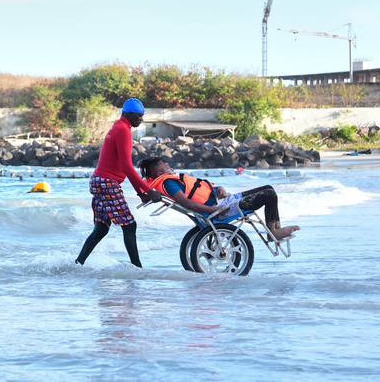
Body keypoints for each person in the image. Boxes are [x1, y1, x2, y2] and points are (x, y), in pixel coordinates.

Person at [75, 99, 161, 268]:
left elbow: (125, 168)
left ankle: (78, 264)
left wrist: (140, 192)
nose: (141, 120)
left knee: (101, 229)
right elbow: (127, 167)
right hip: (107, 183)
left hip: (99, 181)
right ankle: (137, 268)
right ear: (128, 114)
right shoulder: (123, 130)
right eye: (139, 116)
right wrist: (148, 190)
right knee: (129, 225)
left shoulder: (118, 126)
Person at [138, 157, 300, 240]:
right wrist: (215, 210)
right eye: (166, 167)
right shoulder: (170, 184)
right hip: (220, 211)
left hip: (221, 202)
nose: (170, 167)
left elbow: (196, 191)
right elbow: (187, 202)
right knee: (269, 195)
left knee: (269, 188)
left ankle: (277, 227)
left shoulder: (172, 180)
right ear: (160, 174)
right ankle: (272, 232)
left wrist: (217, 189)